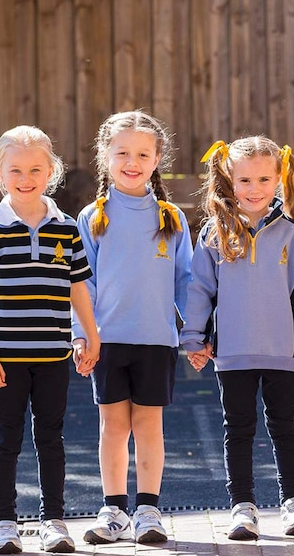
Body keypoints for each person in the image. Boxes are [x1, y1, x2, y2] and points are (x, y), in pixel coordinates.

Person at [181, 137, 294, 541]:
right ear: (229, 179)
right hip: (232, 354)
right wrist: (194, 337)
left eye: (264, 179)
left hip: (282, 352)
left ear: (279, 178)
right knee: (239, 429)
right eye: (244, 179)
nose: (254, 188)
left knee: (285, 426)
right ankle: (242, 508)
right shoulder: (215, 232)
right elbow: (199, 290)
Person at [0, 125, 100, 554]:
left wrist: (89, 337)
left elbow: (77, 288)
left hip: (52, 356)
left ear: (51, 172)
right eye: (16, 170)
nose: (26, 178)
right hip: (6, 357)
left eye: (36, 170)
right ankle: (3, 523)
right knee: (6, 438)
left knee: (51, 438)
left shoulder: (65, 227)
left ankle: (53, 520)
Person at [71, 110, 192, 545]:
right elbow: (83, 284)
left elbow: (186, 282)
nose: (132, 161)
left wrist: (196, 332)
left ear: (158, 158)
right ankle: (114, 511)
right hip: (107, 343)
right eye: (121, 152)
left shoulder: (171, 217)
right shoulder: (92, 217)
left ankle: (148, 511)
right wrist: (83, 334)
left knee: (149, 428)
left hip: (157, 341)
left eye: (142, 153)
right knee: (113, 428)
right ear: (105, 157)